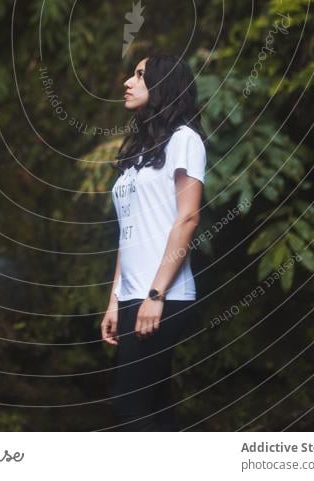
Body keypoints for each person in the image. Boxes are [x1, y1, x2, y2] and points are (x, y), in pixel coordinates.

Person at [101, 53, 207, 431]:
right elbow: (126, 233)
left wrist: (156, 294)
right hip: (134, 296)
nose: (128, 82)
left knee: (129, 406)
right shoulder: (138, 155)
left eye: (140, 76)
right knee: (156, 406)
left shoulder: (184, 140)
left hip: (165, 296)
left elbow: (188, 217)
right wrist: (115, 300)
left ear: (163, 86)